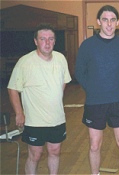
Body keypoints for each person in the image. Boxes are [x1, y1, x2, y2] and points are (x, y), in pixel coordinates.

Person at [74, 5, 119, 175]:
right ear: (99, 22)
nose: (109, 24)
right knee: (94, 145)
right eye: (105, 20)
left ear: (118, 22)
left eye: (113, 20)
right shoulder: (87, 45)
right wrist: (92, 89)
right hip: (95, 102)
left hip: (118, 101)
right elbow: (80, 71)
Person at [7, 23, 72, 174]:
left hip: (57, 119)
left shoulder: (61, 58)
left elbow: (64, 82)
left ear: (55, 41)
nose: (47, 42)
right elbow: (12, 89)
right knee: (35, 155)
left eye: (50, 39)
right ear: (36, 41)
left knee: (55, 151)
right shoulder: (25, 62)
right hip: (34, 120)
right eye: (43, 39)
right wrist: (19, 113)